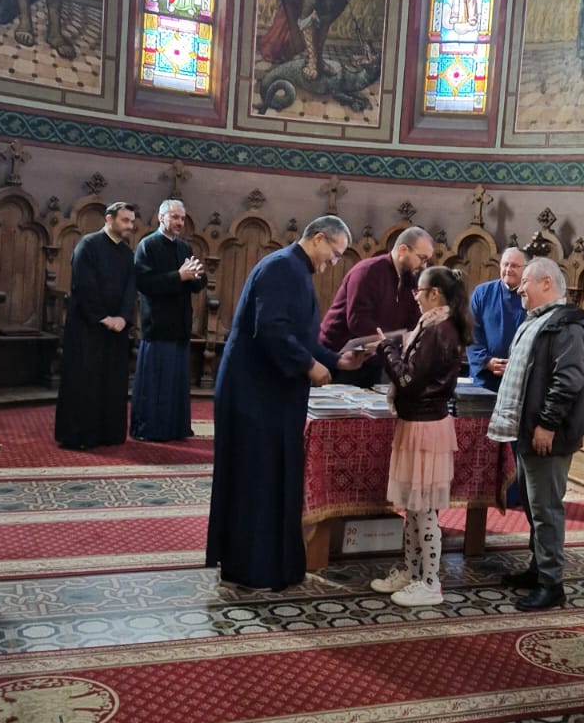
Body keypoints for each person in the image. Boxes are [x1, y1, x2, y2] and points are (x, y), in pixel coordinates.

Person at [205, 215, 362, 591]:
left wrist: (334, 360)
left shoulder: (295, 270)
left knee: (271, 475)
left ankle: (269, 563)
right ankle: (251, 567)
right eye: (335, 253)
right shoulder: (282, 268)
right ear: (319, 238)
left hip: (269, 393)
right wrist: (308, 365)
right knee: (256, 478)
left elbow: (300, 336)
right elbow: (272, 330)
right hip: (254, 394)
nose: (334, 262)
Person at [488, 258, 584, 613]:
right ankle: (538, 569)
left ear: (546, 282)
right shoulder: (537, 320)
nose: (519, 288)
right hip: (527, 429)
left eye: (526, 282)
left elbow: (569, 380)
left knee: (546, 508)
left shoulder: (568, 324)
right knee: (535, 507)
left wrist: (547, 423)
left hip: (547, 433)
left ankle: (552, 584)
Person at [369, 265, 471, 608]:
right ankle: (412, 572)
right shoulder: (433, 326)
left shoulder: (439, 330)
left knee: (424, 510)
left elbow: (408, 381)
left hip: (426, 427)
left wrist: (387, 350)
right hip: (418, 422)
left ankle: (430, 582)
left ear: (435, 294)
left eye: (419, 291)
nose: (415, 296)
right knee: (413, 508)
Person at [54, 202, 136, 451]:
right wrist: (103, 317)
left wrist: (123, 318)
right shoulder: (88, 245)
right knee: (85, 381)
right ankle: (79, 435)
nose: (130, 226)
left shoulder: (127, 253)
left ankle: (109, 433)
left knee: (112, 382)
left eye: (132, 222)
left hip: (117, 330)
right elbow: (83, 285)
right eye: (125, 220)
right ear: (109, 219)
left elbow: (130, 289)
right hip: (87, 327)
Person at [130, 198, 206, 442]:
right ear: (161, 217)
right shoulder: (147, 245)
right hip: (158, 325)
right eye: (175, 217)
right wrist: (179, 276)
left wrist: (196, 276)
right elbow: (144, 284)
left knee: (176, 383)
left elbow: (197, 284)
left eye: (182, 218)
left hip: (180, 326)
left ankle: (175, 428)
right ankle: (150, 428)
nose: (179, 222)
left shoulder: (184, 247)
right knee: (156, 383)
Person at [319, 225, 435, 386]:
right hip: (339, 358)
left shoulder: (410, 280)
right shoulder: (368, 271)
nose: (424, 266)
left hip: (375, 360)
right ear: (403, 250)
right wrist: (396, 341)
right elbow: (358, 321)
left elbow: (413, 320)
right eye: (422, 258)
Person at [467, 246, 526, 391]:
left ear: (526, 269)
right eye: (505, 264)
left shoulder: (530, 296)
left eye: (514, 266)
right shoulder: (482, 292)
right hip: (483, 378)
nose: (508, 269)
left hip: (518, 379)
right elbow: (470, 331)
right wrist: (486, 361)